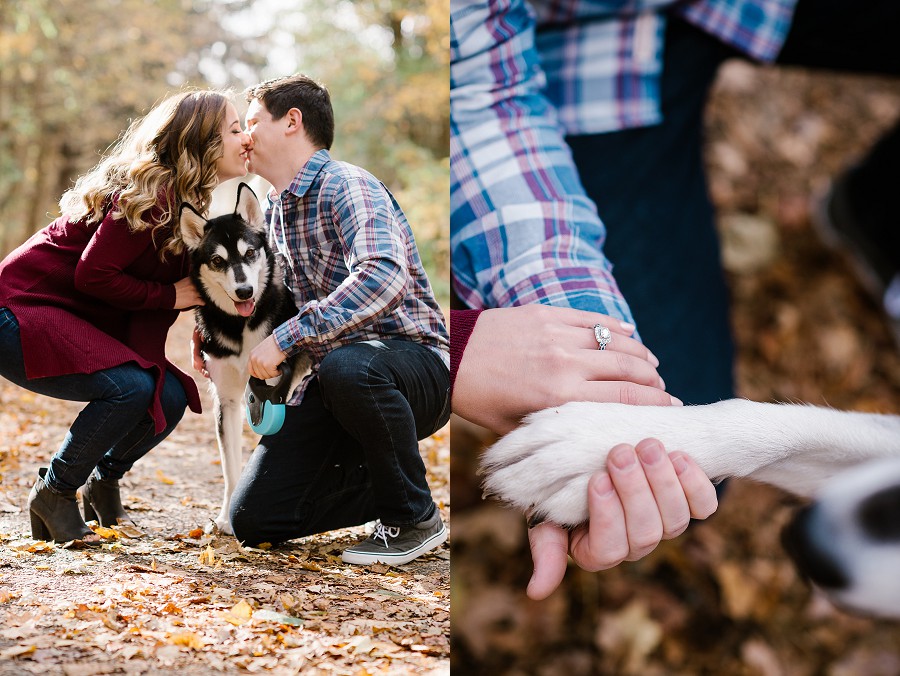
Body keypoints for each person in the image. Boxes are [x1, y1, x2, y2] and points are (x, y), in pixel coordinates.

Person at [451, 0, 899, 599]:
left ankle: (884, 214)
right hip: (585, 42)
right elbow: (475, 94)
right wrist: (462, 344)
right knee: (671, 449)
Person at [213, 74, 451, 566]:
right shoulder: (276, 211)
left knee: (349, 365)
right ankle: (391, 482)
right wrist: (218, 338)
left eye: (252, 121)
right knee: (254, 521)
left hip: (414, 368)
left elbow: (383, 275)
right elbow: (281, 306)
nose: (245, 136)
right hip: (340, 383)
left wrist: (287, 338)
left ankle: (414, 516)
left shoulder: (348, 185)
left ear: (292, 122)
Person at [0, 90, 251, 544]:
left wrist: (200, 323)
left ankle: (104, 482)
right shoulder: (154, 193)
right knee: (130, 388)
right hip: (17, 310)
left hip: (55, 314)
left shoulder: (187, 201)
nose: (246, 138)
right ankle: (54, 491)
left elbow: (185, 284)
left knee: (171, 393)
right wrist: (168, 297)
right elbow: (93, 275)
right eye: (234, 129)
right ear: (202, 143)